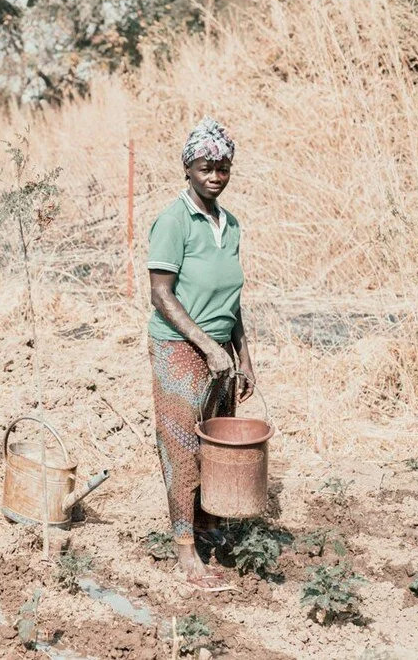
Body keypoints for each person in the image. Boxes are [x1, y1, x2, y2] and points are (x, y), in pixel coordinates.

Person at [146, 117, 255, 591]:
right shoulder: (172, 221)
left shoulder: (229, 225)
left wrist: (243, 356)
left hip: (220, 354)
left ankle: (211, 527)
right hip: (179, 349)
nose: (215, 175)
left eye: (223, 167)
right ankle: (184, 547)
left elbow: (232, 298)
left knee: (215, 443)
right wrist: (207, 346)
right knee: (182, 449)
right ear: (188, 168)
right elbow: (161, 295)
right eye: (206, 167)